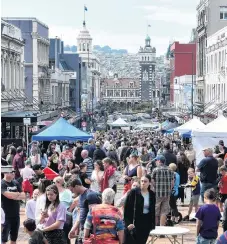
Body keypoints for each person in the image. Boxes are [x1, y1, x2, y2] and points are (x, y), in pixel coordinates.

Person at [124, 175, 156, 244]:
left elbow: (152, 210)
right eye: (141, 181)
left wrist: (152, 224)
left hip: (146, 222)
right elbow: (126, 210)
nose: (143, 183)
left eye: (145, 181)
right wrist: (128, 223)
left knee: (142, 241)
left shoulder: (152, 194)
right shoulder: (133, 193)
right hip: (135, 222)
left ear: (149, 183)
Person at [1, 165, 26, 244]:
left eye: (14, 172)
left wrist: (14, 195)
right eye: (11, 172)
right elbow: (8, 195)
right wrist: (17, 194)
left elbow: (24, 195)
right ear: (5, 173)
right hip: (5, 216)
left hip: (15, 215)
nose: (13, 174)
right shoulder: (2, 184)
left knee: (14, 237)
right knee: (3, 238)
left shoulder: (15, 182)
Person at [151, 155, 174, 226]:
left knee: (155, 211)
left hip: (157, 193)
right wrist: (169, 189)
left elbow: (152, 180)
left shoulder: (155, 170)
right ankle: (162, 228)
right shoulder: (170, 170)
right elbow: (172, 182)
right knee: (164, 212)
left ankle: (155, 228)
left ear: (159, 161)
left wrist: (155, 187)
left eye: (156, 161)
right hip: (167, 194)